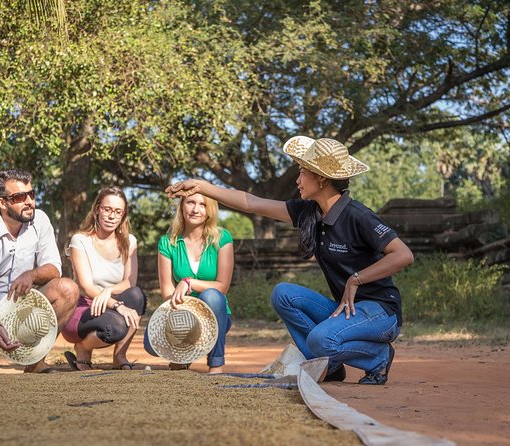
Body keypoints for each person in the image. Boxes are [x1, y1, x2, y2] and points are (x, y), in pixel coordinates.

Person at [166, 136, 414, 385]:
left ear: (321, 178)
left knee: (320, 340)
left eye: (302, 172)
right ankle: (333, 365)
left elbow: (403, 254)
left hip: (381, 313)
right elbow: (251, 203)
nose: (297, 180)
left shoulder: (357, 216)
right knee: (283, 293)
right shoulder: (309, 212)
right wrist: (200, 187)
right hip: (346, 311)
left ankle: (378, 357)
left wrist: (356, 279)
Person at [0, 169, 78, 374]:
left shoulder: (41, 220)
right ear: (2, 203)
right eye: (20, 197)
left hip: (20, 298)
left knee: (68, 289)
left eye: (32, 194)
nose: (29, 201)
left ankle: (36, 361)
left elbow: (54, 268)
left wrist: (31, 275)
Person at [143, 193, 234, 374]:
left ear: (209, 210)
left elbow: (222, 286)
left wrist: (189, 283)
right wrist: (183, 322)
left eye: (202, 205)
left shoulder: (222, 238)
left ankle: (216, 364)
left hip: (216, 314)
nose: (195, 209)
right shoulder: (167, 243)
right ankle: (182, 355)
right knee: (150, 344)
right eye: (190, 202)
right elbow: (168, 292)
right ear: (182, 206)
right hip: (181, 313)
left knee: (212, 296)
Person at [61, 186, 147, 371]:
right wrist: (118, 306)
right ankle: (82, 347)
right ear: (97, 209)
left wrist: (108, 291)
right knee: (115, 327)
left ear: (123, 215)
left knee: (137, 295)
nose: (111, 216)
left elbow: (129, 282)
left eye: (118, 212)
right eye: (107, 209)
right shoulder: (80, 240)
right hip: (84, 308)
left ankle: (119, 355)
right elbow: (86, 286)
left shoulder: (129, 241)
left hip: (111, 304)